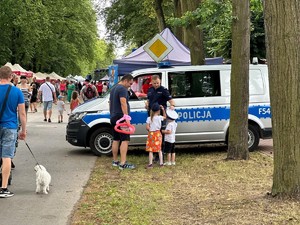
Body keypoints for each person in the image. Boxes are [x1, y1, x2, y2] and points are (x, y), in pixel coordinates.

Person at [0, 66, 26, 198]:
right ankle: (3, 188)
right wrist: (23, 130)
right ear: (11, 76)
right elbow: (22, 113)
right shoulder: (17, 92)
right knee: (6, 157)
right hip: (10, 127)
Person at [146, 75, 175, 161]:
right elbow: (148, 100)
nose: (156, 85)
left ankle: (160, 153)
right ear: (151, 82)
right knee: (152, 133)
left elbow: (171, 100)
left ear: (160, 81)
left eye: (157, 83)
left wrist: (172, 105)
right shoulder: (150, 90)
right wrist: (147, 104)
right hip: (151, 114)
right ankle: (154, 151)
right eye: (154, 83)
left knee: (160, 134)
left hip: (161, 115)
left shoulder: (163, 90)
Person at [109, 74, 135, 170]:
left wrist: (112, 114)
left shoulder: (114, 88)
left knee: (116, 139)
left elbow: (110, 103)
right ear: (126, 81)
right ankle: (123, 163)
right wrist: (126, 118)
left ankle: (115, 161)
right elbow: (123, 103)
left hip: (114, 116)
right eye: (130, 83)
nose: (130, 86)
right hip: (121, 118)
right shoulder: (123, 89)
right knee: (125, 140)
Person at [145, 103, 166, 168]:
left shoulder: (149, 118)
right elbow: (165, 117)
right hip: (158, 134)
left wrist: (150, 130)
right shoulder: (159, 117)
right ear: (158, 110)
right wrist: (163, 110)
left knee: (150, 150)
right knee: (159, 149)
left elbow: (147, 127)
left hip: (151, 134)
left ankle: (150, 164)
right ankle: (161, 164)